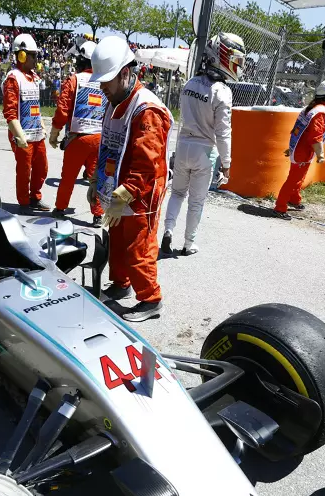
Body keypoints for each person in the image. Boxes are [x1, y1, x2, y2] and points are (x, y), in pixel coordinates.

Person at [89, 35, 172, 322]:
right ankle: (121, 285)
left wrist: (124, 194)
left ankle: (150, 299)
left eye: (106, 80)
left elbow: (147, 166)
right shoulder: (114, 101)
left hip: (142, 190)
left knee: (139, 245)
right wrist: (95, 184)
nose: (102, 87)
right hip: (118, 186)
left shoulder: (147, 111)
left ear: (125, 73)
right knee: (118, 239)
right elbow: (108, 146)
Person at [161, 32, 244, 256]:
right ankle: (189, 243)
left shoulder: (190, 84)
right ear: (224, 57)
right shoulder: (223, 92)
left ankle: (168, 231)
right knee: (196, 202)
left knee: (177, 193)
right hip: (205, 151)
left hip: (184, 145)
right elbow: (223, 132)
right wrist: (226, 163)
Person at [49, 40, 107, 224]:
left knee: (68, 177)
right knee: (96, 177)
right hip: (99, 138)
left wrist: (54, 133)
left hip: (78, 138)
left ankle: (60, 208)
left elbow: (62, 110)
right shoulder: (105, 81)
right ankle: (97, 215)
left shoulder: (74, 79)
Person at [273, 78, 325, 218]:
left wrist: (292, 147)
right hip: (303, 151)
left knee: (299, 176)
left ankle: (294, 199)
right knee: (293, 179)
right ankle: (280, 207)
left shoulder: (311, 108)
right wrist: (320, 154)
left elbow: (299, 129)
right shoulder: (319, 112)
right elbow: (315, 137)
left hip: (300, 149)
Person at [3, 33, 49, 213]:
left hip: (36, 132)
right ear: (22, 55)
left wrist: (42, 124)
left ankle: (34, 198)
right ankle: (23, 203)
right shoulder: (13, 78)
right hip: (22, 134)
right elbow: (10, 111)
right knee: (24, 170)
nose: (36, 58)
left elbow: (35, 105)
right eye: (33, 55)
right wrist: (18, 135)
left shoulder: (33, 77)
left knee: (42, 167)